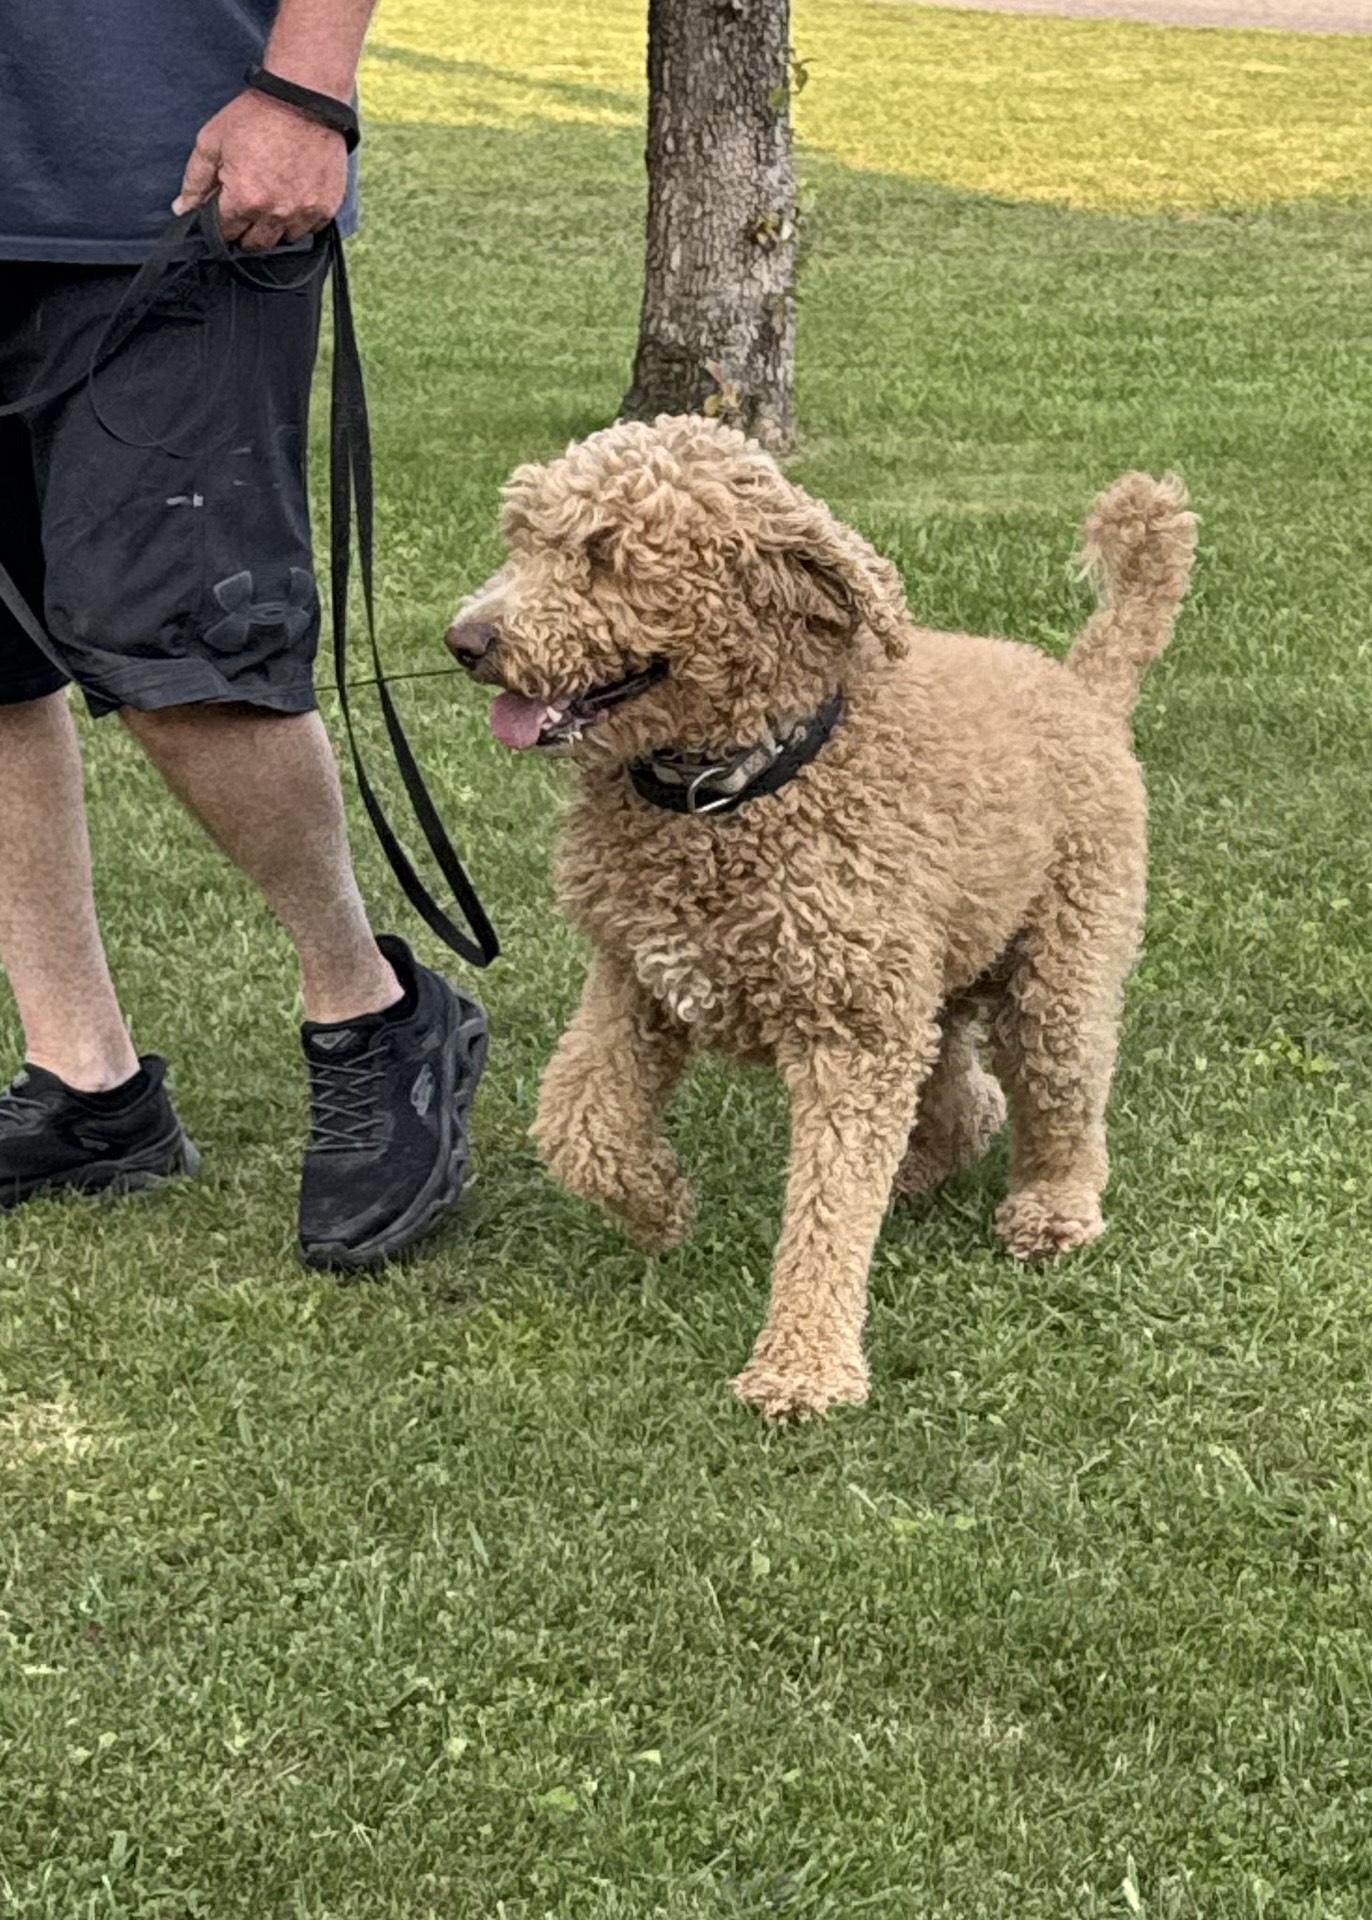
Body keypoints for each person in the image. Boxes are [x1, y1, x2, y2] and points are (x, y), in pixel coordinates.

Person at [0, 0, 489, 1266]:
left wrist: (308, 86)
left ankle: (372, 1007)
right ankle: (88, 1088)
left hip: (167, 173)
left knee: (183, 653)